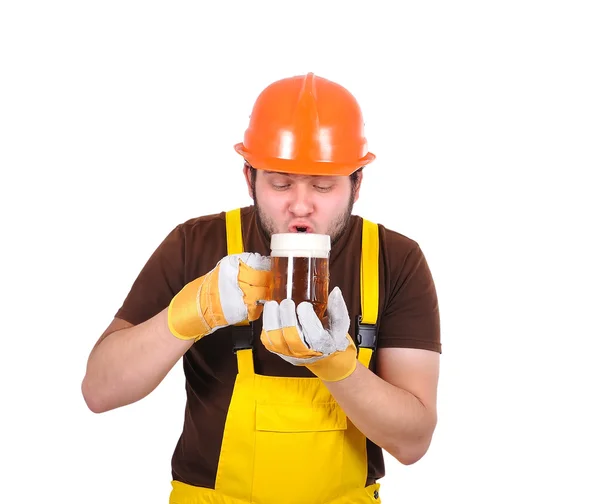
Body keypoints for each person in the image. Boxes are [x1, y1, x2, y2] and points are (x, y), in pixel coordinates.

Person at [81, 72, 441, 504]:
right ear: (249, 176)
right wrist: (188, 315)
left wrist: (337, 364)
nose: (300, 205)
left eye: (323, 185)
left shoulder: (393, 260)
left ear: (357, 183)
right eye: (281, 182)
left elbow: (413, 442)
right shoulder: (196, 244)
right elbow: (99, 392)